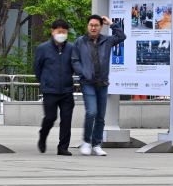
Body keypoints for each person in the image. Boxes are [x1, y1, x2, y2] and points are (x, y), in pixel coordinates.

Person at [71, 14, 127, 156]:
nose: (93, 27)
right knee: (91, 112)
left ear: (101, 27)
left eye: (96, 25)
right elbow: (74, 60)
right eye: (91, 25)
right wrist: (82, 72)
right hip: (87, 82)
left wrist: (112, 24)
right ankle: (86, 142)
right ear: (87, 26)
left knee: (101, 116)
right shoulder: (80, 42)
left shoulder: (107, 40)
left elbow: (121, 36)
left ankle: (96, 144)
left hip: (102, 83)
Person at [35, 20, 76, 156]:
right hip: (50, 90)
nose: (61, 34)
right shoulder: (43, 48)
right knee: (50, 117)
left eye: (64, 32)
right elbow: (37, 68)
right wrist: (44, 82)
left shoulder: (71, 49)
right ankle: (43, 135)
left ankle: (63, 147)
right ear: (52, 32)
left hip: (66, 90)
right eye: (59, 31)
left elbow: (74, 66)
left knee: (66, 119)